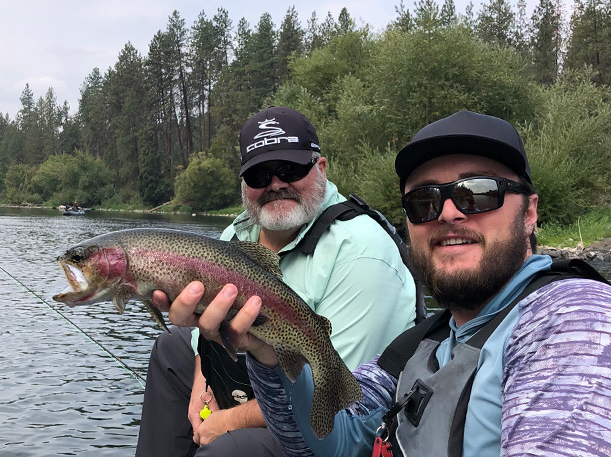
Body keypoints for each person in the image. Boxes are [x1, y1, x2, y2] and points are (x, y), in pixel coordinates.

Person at [160, 110, 611, 457]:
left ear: (529, 212)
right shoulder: (420, 347)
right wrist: (271, 354)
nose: (450, 213)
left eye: (478, 193)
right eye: (424, 201)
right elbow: (322, 444)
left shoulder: (573, 316)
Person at [136, 106, 418, 457]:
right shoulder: (238, 235)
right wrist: (202, 382)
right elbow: (201, 334)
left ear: (321, 167)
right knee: (172, 347)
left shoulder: (362, 250)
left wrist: (228, 421)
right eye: (259, 176)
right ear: (244, 184)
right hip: (260, 371)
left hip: (337, 418)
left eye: (290, 169)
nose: (275, 184)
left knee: (229, 450)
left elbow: (336, 396)